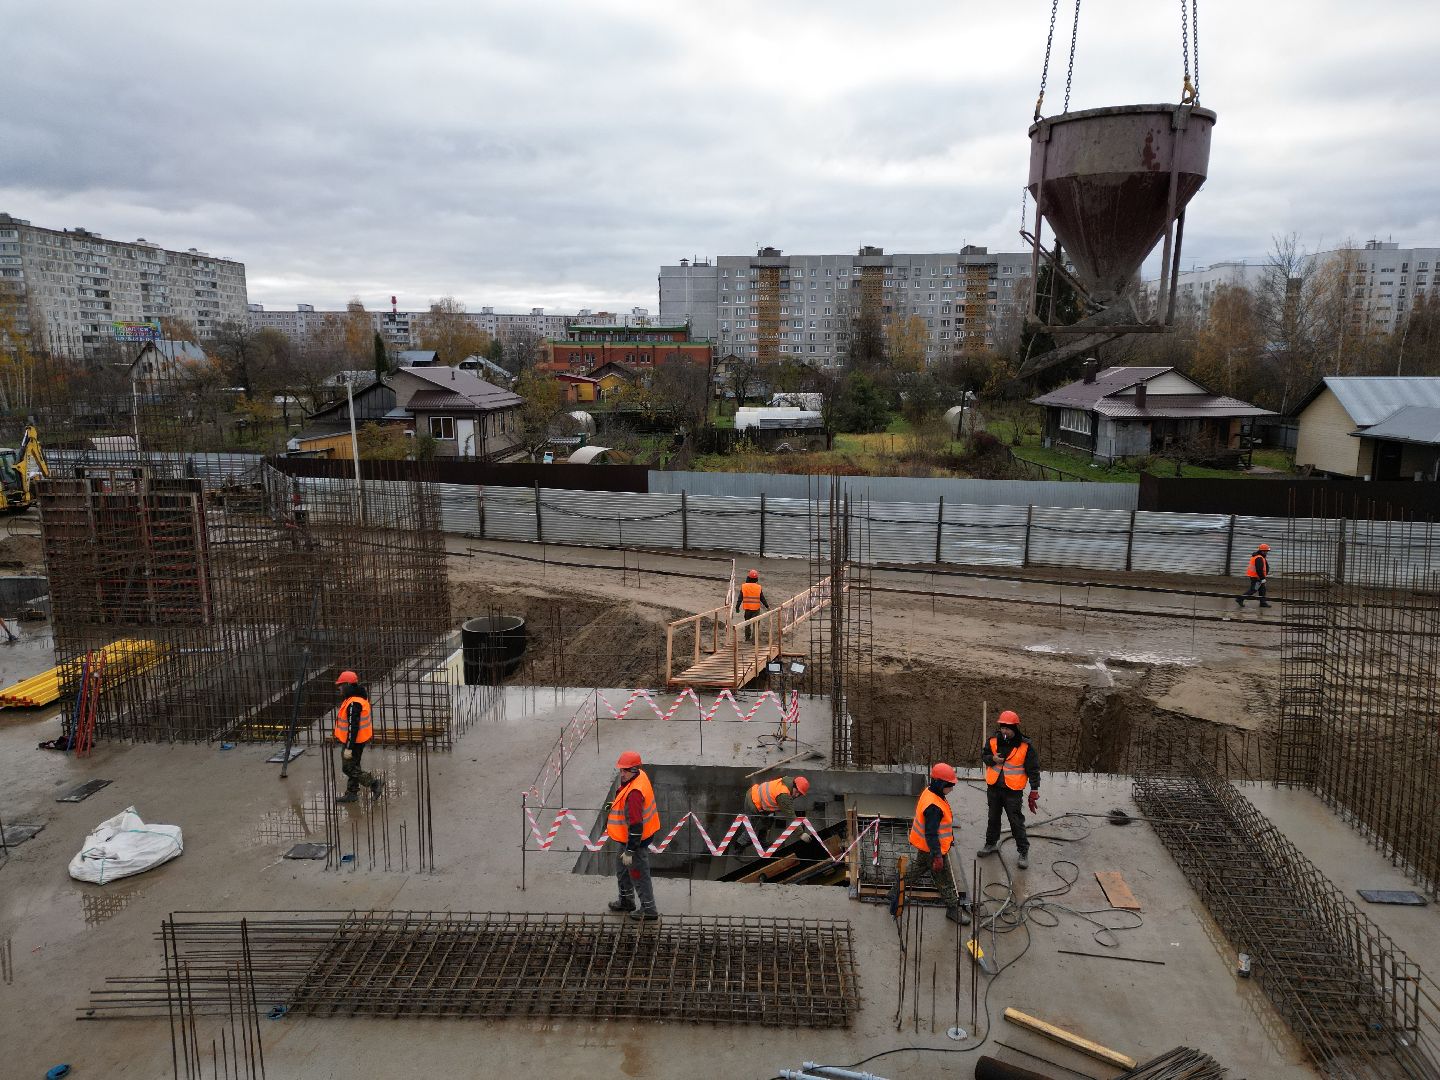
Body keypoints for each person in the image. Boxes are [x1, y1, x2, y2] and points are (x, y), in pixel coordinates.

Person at [890, 763, 970, 925]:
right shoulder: (934, 807)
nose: (952, 789)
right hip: (933, 849)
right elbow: (932, 834)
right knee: (944, 879)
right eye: (950, 786)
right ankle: (952, 909)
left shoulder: (930, 792)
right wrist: (937, 856)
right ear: (941, 784)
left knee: (917, 869)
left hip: (926, 847)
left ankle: (894, 890)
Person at [977, 710, 1041, 869]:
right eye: (1002, 727)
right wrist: (992, 759)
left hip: (1013, 791)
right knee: (993, 818)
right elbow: (984, 756)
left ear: (1015, 728)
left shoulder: (1025, 746)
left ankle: (1023, 851)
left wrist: (1034, 789)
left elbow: (1033, 769)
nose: (1004, 731)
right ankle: (990, 843)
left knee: (1016, 821)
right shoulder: (992, 741)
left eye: (1008, 728)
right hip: (994, 787)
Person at [606, 750, 661, 922]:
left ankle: (649, 909)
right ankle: (626, 901)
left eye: (625, 770)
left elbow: (636, 825)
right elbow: (625, 801)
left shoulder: (635, 794)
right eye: (621, 770)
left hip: (635, 842)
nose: (621, 774)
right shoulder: (639, 776)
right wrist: (614, 805)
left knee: (638, 874)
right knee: (622, 870)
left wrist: (630, 850)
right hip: (627, 840)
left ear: (635, 769)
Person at [334, 670, 383, 804]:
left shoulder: (353, 703)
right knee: (354, 766)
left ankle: (374, 783)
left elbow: (352, 727)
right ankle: (352, 793)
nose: (339, 688)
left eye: (341, 685)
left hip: (354, 742)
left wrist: (349, 747)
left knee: (348, 768)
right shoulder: (356, 699)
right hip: (358, 740)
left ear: (348, 685)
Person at [743, 774, 810, 851]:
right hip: (753, 802)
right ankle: (738, 850)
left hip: (759, 799)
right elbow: (790, 815)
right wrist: (801, 833)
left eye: (800, 794)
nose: (797, 795)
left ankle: (762, 842)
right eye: (797, 792)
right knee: (750, 831)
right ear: (794, 786)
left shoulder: (788, 782)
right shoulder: (784, 795)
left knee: (768, 821)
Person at [735, 569, 769, 642]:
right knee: (756, 625)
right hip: (756, 610)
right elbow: (762, 598)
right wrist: (767, 606)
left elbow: (740, 598)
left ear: (748, 578)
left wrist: (737, 607)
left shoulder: (744, 586)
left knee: (747, 624)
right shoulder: (758, 587)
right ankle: (754, 640)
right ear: (756, 579)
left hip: (747, 609)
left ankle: (747, 638)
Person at [1236, 543, 1271, 608]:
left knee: (1262, 590)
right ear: (1262, 551)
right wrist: (1262, 578)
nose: (1267, 552)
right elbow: (1259, 569)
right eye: (1266, 551)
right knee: (1253, 590)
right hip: (1257, 577)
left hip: (1257, 577)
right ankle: (1240, 599)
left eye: (1267, 551)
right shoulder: (1259, 558)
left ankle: (1263, 603)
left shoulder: (1259, 556)